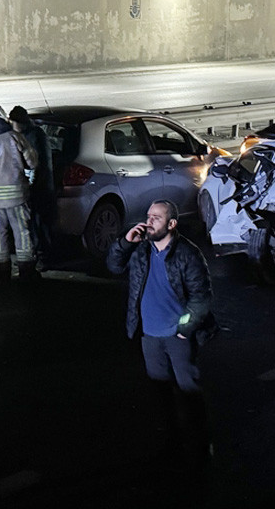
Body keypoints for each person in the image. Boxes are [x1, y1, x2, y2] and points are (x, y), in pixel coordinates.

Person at [107, 199, 217, 472]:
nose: (149, 221)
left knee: (189, 393)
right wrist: (125, 242)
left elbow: (201, 298)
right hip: (150, 336)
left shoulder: (187, 254)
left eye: (157, 217)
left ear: (172, 224)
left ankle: (201, 448)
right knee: (161, 393)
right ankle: (172, 444)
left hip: (177, 337)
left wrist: (184, 331)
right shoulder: (140, 249)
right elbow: (113, 265)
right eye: (148, 215)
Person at [0, 103, 39, 283]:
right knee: (22, 233)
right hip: (17, 197)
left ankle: (1, 271)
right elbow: (32, 162)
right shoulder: (15, 137)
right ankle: (27, 271)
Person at [9, 105, 56, 264]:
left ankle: (43, 257)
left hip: (39, 187)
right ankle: (35, 254)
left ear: (17, 122)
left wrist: (30, 184)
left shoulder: (33, 136)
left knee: (40, 224)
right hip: (37, 186)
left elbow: (35, 164)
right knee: (33, 223)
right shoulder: (31, 133)